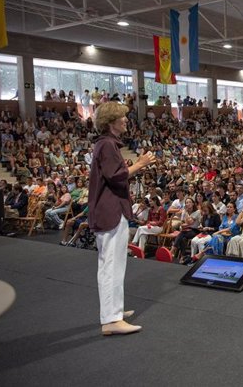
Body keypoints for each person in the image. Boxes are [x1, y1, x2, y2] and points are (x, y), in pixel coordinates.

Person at [89, 101, 156, 336]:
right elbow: (116, 176)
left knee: (115, 264)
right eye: (122, 117)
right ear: (111, 122)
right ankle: (110, 320)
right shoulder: (107, 145)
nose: (126, 120)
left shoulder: (108, 144)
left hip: (112, 209)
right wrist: (139, 164)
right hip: (110, 210)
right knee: (111, 265)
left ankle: (114, 311)